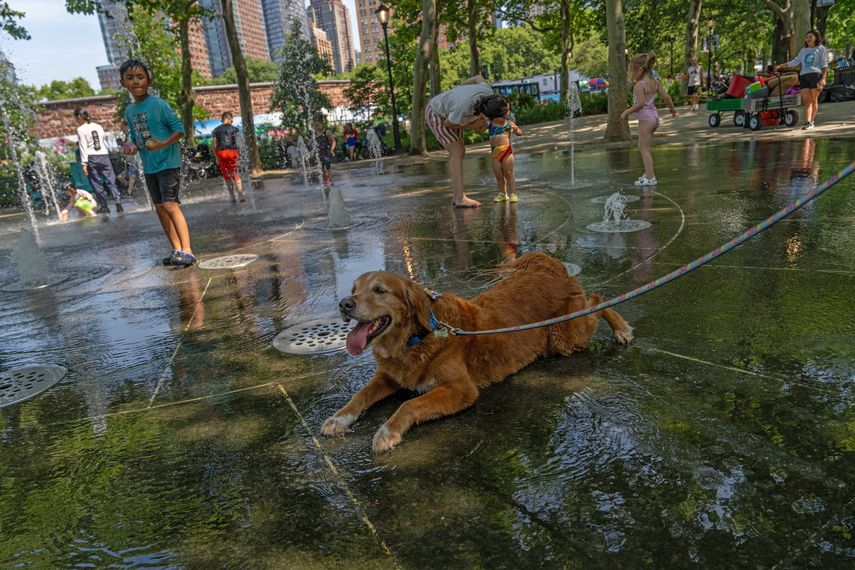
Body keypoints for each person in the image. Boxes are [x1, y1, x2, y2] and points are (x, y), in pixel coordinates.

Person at [120, 59, 196, 267]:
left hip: (168, 162)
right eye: (130, 78)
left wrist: (163, 144)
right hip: (150, 165)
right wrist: (132, 144)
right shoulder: (129, 111)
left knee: (171, 205)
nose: (136, 82)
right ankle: (176, 249)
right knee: (160, 208)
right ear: (122, 83)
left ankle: (187, 250)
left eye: (140, 77)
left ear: (149, 80)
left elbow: (180, 129)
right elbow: (136, 137)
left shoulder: (159, 105)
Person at [425, 75, 494, 208]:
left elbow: (477, 77)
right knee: (457, 152)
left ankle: (458, 195)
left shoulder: (487, 91)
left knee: (460, 151)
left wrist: (458, 90)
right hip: (436, 113)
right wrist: (472, 125)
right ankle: (459, 198)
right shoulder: (463, 108)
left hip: (449, 111)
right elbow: (448, 123)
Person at [621, 52, 677, 187]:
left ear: (640, 70)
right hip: (654, 119)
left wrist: (626, 112)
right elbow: (667, 97)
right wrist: (671, 108)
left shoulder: (639, 85)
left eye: (632, 72)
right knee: (645, 147)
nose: (631, 75)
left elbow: (640, 103)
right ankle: (647, 173)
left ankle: (651, 178)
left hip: (646, 120)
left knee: (643, 148)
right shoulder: (655, 82)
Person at [776, 29, 828, 129]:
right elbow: (794, 62)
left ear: (816, 38)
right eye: (807, 37)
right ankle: (807, 122)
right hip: (804, 76)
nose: (808, 39)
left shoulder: (821, 49)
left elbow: (824, 65)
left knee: (814, 100)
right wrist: (780, 66)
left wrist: (823, 79)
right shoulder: (803, 50)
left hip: (815, 76)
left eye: (810, 37)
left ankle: (811, 121)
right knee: (806, 101)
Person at [74, 108, 123, 214]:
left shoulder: (80, 129)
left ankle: (104, 206)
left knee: (96, 182)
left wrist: (84, 163)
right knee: (110, 180)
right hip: (104, 155)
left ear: (79, 117)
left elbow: (83, 146)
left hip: (91, 157)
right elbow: (102, 139)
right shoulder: (98, 126)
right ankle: (118, 203)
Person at [476, 96, 523, 203]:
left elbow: (520, 133)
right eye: (503, 113)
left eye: (507, 112)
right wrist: (481, 120)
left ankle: (513, 193)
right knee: (498, 175)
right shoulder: (490, 124)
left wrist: (516, 129)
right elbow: (479, 130)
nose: (506, 114)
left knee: (509, 173)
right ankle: (503, 194)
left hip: (506, 152)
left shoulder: (508, 124)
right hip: (495, 153)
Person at [211, 111, 244, 203]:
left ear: (222, 119)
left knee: (227, 176)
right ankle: (240, 196)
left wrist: (216, 157)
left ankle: (232, 197)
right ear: (231, 119)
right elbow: (239, 143)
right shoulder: (235, 129)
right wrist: (240, 155)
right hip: (232, 152)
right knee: (236, 174)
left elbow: (214, 145)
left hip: (221, 153)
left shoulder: (216, 130)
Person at [312, 116, 336, 188]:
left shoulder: (327, 132)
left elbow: (334, 141)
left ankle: (330, 181)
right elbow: (315, 144)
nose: (316, 127)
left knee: (327, 166)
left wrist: (332, 150)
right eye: (315, 126)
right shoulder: (315, 133)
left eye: (318, 125)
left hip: (327, 152)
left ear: (322, 124)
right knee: (322, 168)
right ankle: (326, 181)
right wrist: (313, 150)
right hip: (320, 152)